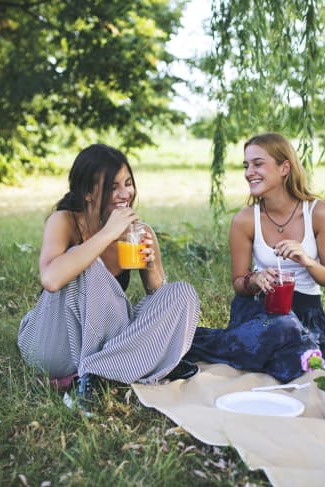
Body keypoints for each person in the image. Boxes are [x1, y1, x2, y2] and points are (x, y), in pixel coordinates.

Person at [18, 143, 200, 414]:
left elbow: (157, 295)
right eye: (113, 187)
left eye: (128, 183)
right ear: (88, 192)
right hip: (55, 341)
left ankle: (92, 376)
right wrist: (106, 235)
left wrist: (150, 267)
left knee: (182, 293)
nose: (125, 193)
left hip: (103, 342)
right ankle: (139, 362)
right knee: (84, 263)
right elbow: (51, 279)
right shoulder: (64, 221)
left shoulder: (138, 231)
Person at [186, 132, 325, 382]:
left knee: (302, 356)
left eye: (258, 164)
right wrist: (255, 279)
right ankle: (238, 346)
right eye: (246, 166)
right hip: (261, 310)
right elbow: (238, 282)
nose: (249, 172)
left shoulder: (318, 213)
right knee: (284, 332)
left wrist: (308, 261)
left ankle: (197, 343)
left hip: (306, 313)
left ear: (284, 167)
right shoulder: (245, 220)